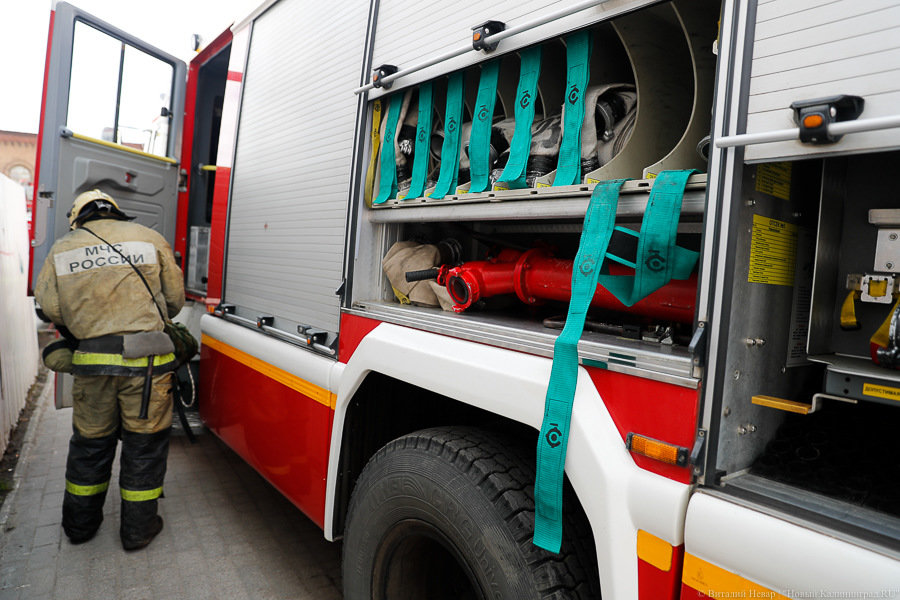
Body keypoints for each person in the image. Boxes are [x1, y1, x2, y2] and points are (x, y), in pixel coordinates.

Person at [34, 189, 184, 550]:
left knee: (90, 446)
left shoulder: (63, 248)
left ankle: (80, 527)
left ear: (78, 218)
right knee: (144, 447)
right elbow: (174, 301)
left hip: (93, 367)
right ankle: (138, 531)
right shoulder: (150, 238)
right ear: (115, 212)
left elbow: (50, 308)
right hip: (148, 369)